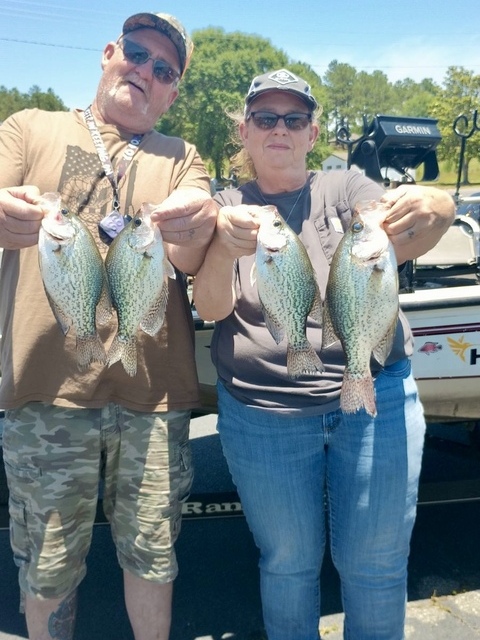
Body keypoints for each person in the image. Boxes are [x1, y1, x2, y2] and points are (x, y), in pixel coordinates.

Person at [193, 68, 455, 640]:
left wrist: (437, 202)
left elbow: (415, 223)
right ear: (245, 131)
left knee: (377, 565)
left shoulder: (350, 188)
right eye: (265, 118)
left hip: (376, 396)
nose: (279, 128)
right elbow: (211, 310)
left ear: (313, 133)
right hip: (265, 412)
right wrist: (221, 246)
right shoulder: (226, 205)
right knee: (287, 563)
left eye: (295, 118)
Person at [0, 12, 216, 640]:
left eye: (164, 70)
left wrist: (191, 222)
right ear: (107, 52)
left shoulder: (182, 156)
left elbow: (194, 248)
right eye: (137, 53)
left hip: (151, 394)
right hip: (45, 392)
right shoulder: (28, 127)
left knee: (151, 556)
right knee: (46, 564)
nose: (146, 71)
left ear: (173, 92)